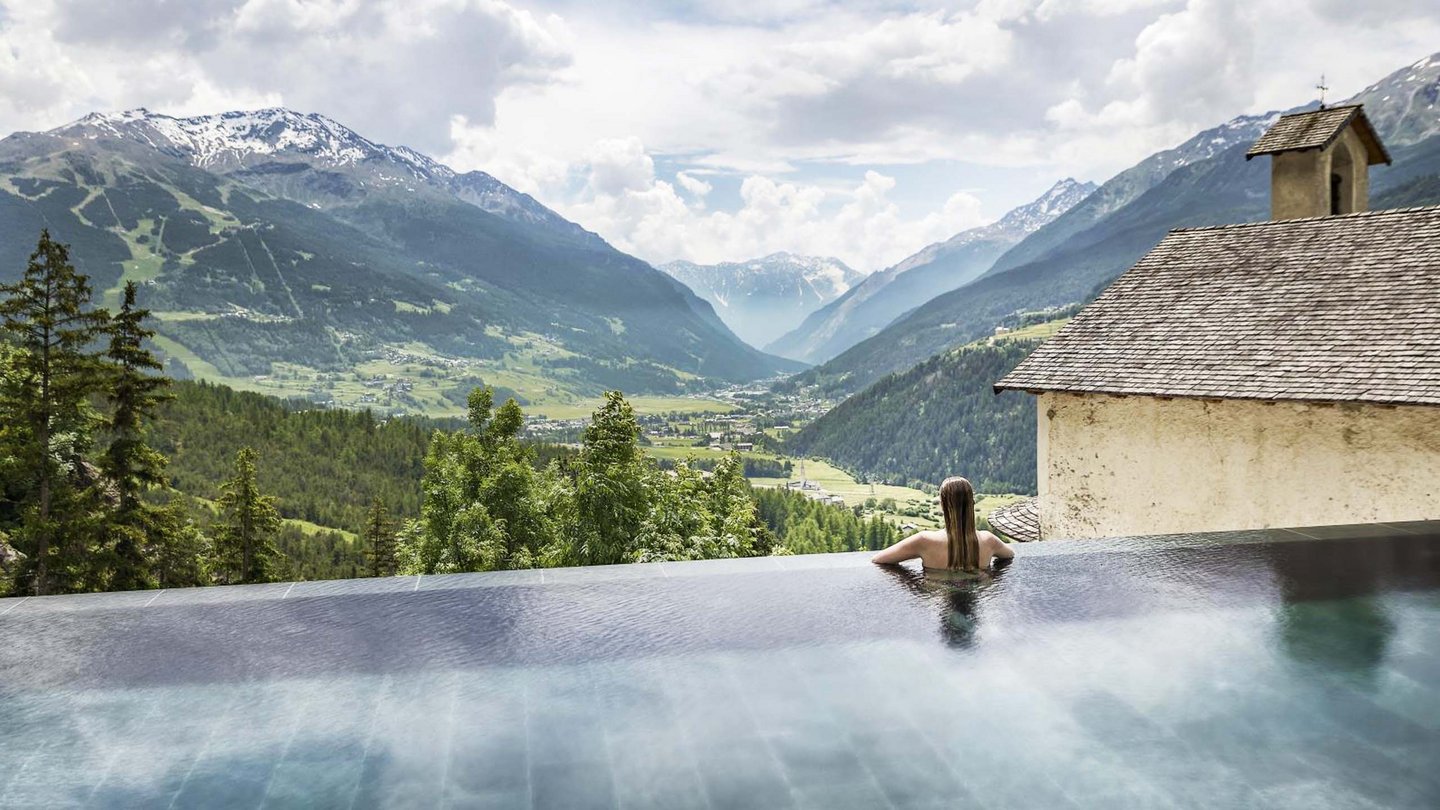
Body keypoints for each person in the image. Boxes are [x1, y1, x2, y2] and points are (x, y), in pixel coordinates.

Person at [871, 476, 1014, 572]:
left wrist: (913, 584)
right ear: (971, 504)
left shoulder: (924, 541)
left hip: (940, 599)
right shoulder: (989, 541)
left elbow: (879, 559)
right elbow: (1009, 555)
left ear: (942, 505)